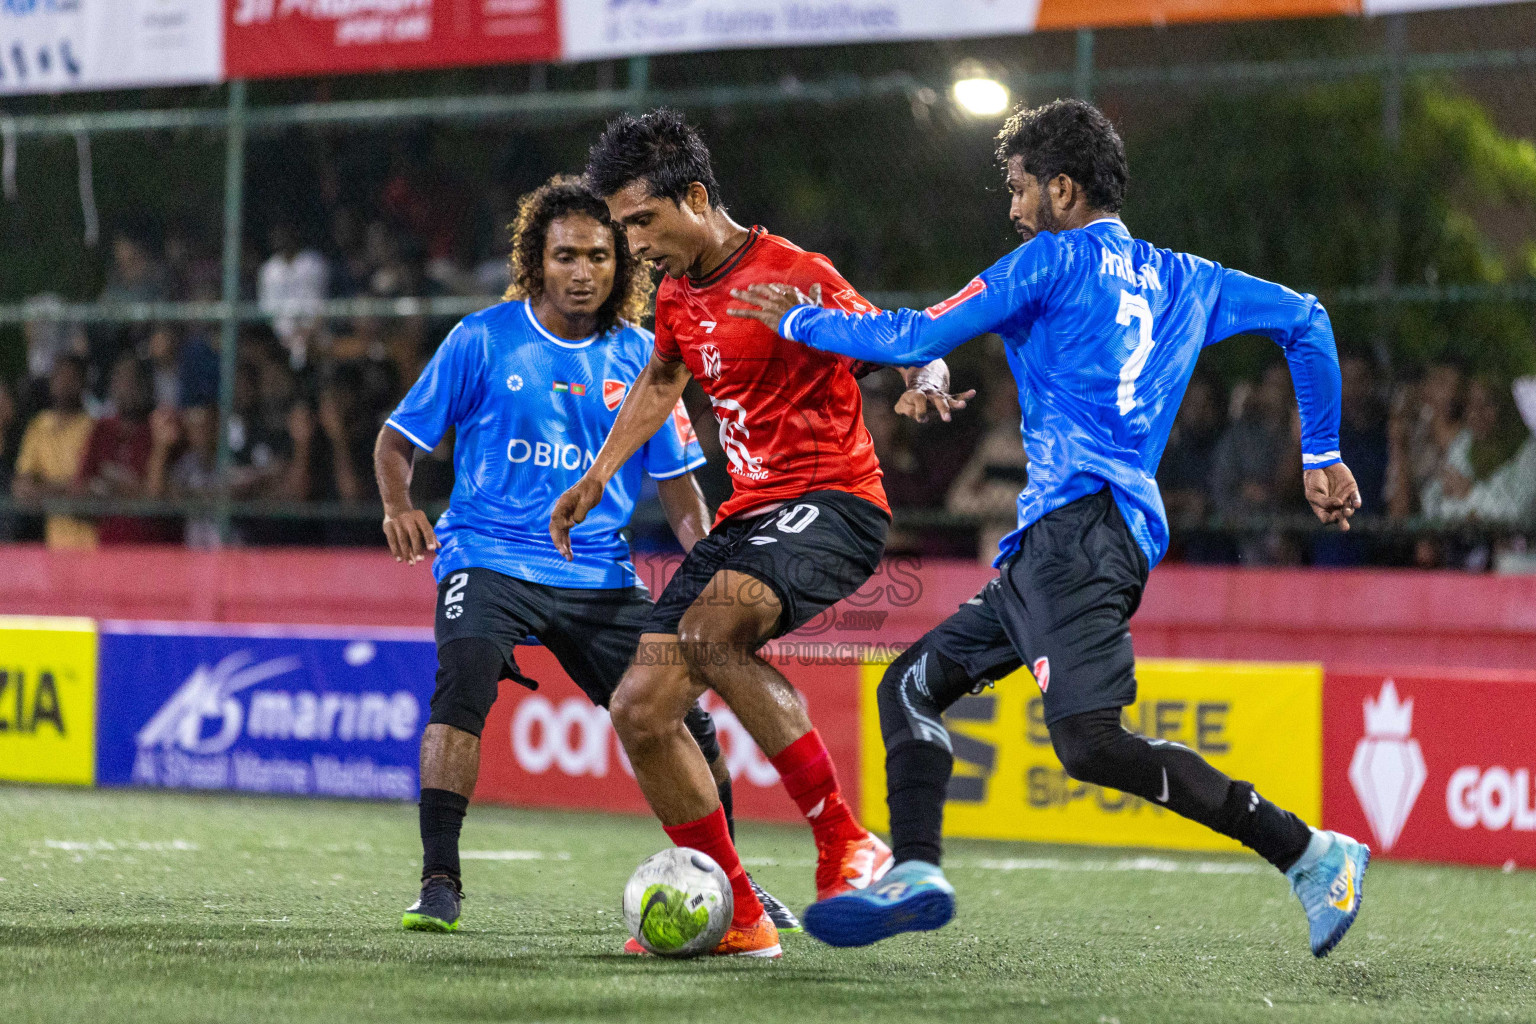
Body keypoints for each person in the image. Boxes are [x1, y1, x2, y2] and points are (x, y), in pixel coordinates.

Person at [731, 99, 1368, 958]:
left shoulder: (1050, 262)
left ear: (1062, 190)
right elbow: (1307, 319)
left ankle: (1309, 851)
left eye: (1020, 186)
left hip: (1079, 532)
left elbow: (915, 332)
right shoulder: (1184, 275)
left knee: (1091, 744)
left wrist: (797, 320)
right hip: (1067, 542)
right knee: (911, 686)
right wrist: (1321, 451)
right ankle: (916, 868)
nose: (1013, 207)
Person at [553, 109, 969, 959]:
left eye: (642, 222)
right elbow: (664, 378)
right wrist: (600, 474)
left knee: (708, 636)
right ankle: (740, 915)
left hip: (834, 503)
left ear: (696, 198)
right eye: (622, 227)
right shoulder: (674, 294)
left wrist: (929, 373)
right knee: (639, 707)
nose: (634, 246)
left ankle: (847, 843)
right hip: (750, 517)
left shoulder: (792, 273)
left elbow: (894, 335)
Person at [374, 176, 793, 937]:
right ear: (538, 259)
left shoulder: (646, 357)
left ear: (621, 262)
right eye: (565, 255)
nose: (582, 271)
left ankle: (733, 883)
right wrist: (399, 505)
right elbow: (397, 441)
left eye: (599, 256)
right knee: (462, 684)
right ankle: (440, 881)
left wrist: (713, 581)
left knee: (682, 721)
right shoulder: (481, 338)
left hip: (599, 571)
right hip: (487, 556)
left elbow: (681, 494)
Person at [11, 356, 97, 549]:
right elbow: (22, 487)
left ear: (83, 383)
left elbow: (90, 488)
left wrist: (43, 488)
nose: (64, 383)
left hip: (94, 545)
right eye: (59, 377)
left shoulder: (95, 427)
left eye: (71, 377)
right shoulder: (38, 425)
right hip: (54, 545)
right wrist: (66, 488)